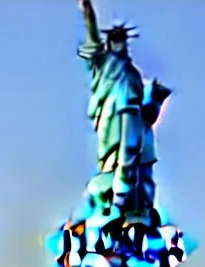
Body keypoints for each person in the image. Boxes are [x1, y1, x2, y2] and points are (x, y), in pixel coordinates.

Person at [78, 0, 157, 217]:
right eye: (114, 39)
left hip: (126, 121)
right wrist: (88, 15)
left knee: (125, 157)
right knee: (108, 163)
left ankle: (123, 201)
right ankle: (110, 202)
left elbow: (135, 120)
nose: (118, 43)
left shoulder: (131, 75)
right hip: (106, 121)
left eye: (121, 39)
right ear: (110, 43)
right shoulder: (103, 65)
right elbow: (92, 42)